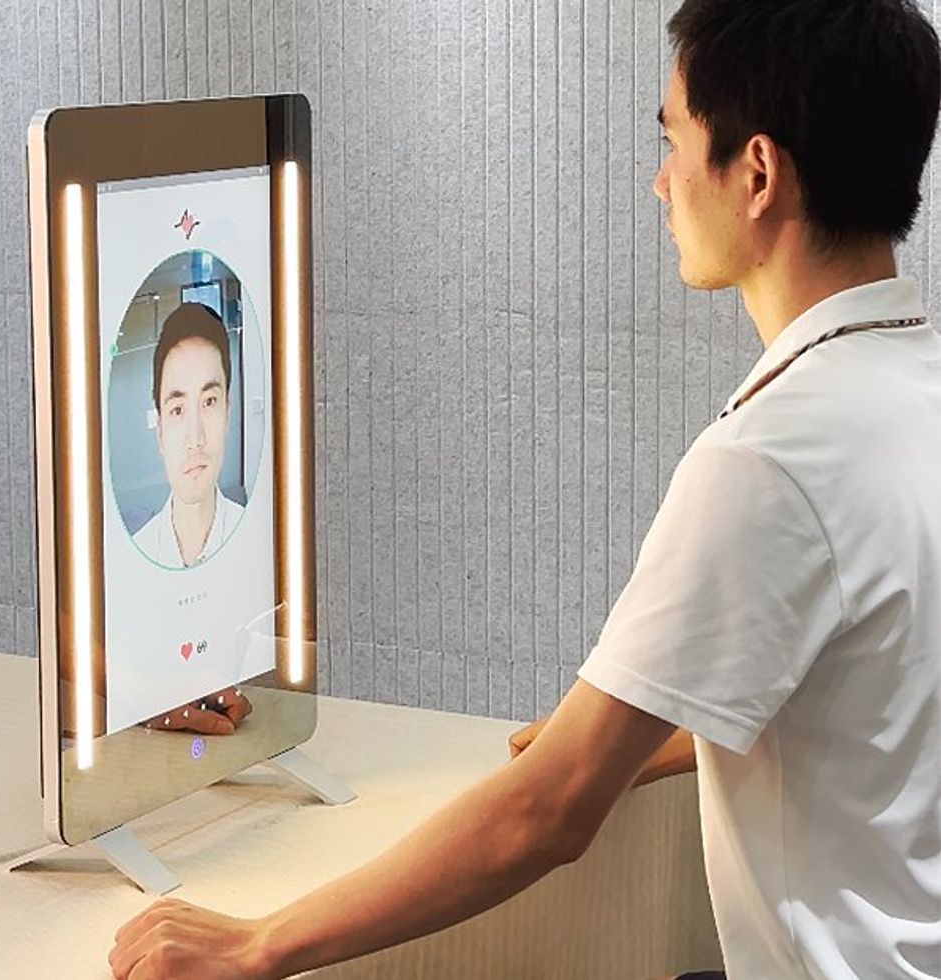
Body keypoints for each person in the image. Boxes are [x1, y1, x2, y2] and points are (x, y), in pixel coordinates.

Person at [109, 1, 941, 978]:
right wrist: (643, 710)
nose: (658, 182)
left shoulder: (766, 459)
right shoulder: (909, 386)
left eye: (671, 141)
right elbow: (867, 685)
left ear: (754, 173)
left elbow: (545, 812)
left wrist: (254, 943)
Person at [134, 301, 245, 569]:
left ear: (227, 412)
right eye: (177, 410)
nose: (195, 439)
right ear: (160, 431)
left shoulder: (255, 537)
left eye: (209, 402)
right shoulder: (137, 554)